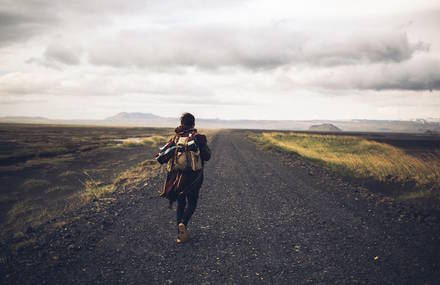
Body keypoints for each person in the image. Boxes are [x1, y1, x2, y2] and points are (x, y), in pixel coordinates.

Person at [155, 113, 211, 244]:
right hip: (194, 176)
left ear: (181, 123)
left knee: (181, 203)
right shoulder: (198, 138)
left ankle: (179, 234)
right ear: (193, 124)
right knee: (192, 203)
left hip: (178, 177)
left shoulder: (175, 138)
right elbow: (207, 156)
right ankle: (184, 224)